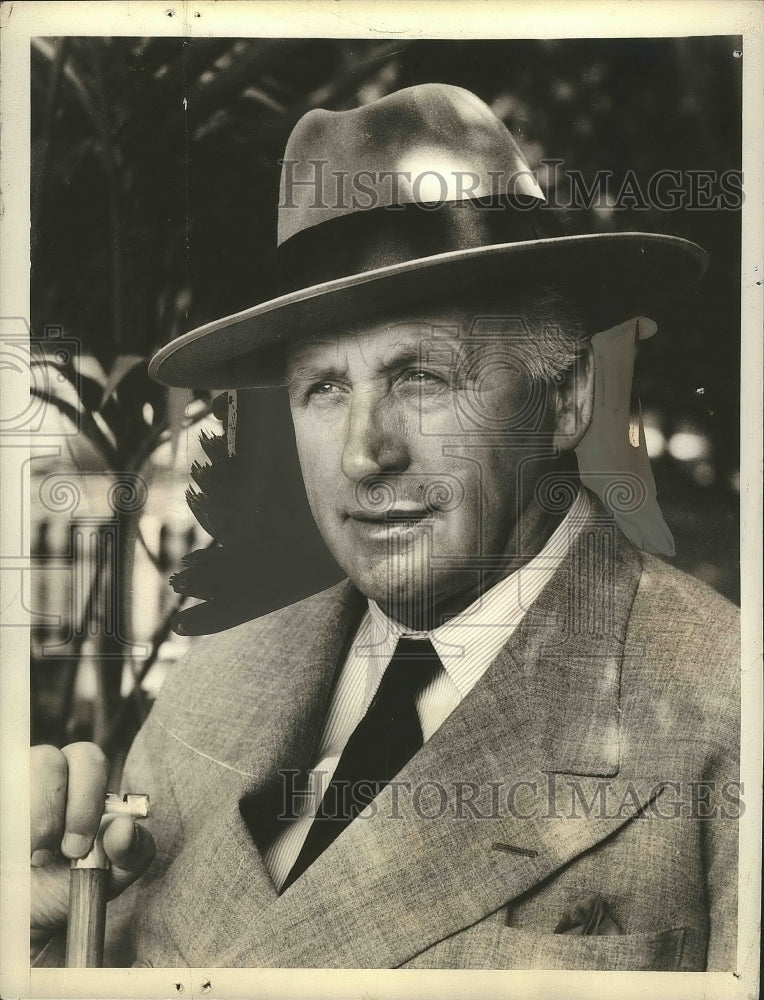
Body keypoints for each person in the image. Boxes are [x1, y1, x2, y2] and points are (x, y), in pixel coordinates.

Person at [30, 83, 740, 971]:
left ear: (563, 400)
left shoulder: (723, 709)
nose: (366, 453)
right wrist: (40, 953)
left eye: (421, 378)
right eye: (324, 388)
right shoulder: (208, 691)